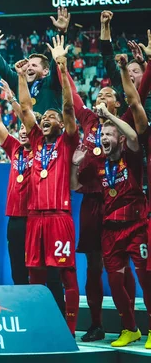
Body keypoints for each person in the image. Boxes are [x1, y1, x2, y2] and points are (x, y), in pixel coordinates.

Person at [63, 49, 147, 342]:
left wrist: (135, 70)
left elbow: (138, 96)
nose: (101, 99)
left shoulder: (121, 121)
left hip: (121, 202)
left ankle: (131, 324)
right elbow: (72, 96)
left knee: (126, 264)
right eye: (98, 96)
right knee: (97, 265)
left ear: (115, 102)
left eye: (107, 95)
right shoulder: (87, 121)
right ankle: (98, 323)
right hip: (93, 203)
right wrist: (62, 64)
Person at [17, 36, 80, 335]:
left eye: (52, 117)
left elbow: (68, 107)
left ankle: (70, 328)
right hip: (34, 219)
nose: (47, 118)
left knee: (66, 272)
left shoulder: (68, 142)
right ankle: (37, 325)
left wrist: (61, 65)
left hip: (58, 217)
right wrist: (19, 78)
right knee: (35, 274)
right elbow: (27, 109)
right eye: (46, 116)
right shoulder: (36, 141)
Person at [0, 75, 38, 286]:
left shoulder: (42, 149)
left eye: (27, 128)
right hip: (15, 219)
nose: (23, 131)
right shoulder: (15, 148)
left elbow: (26, 115)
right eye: (21, 128)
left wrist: (15, 98)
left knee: (38, 268)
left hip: (35, 217)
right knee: (18, 270)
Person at [0, 11, 70, 113]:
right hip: (25, 130)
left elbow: (57, 58)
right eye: (28, 65)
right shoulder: (19, 83)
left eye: (34, 65)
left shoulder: (52, 82)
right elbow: (3, 67)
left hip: (50, 128)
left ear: (45, 71)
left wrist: (62, 33)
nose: (29, 68)